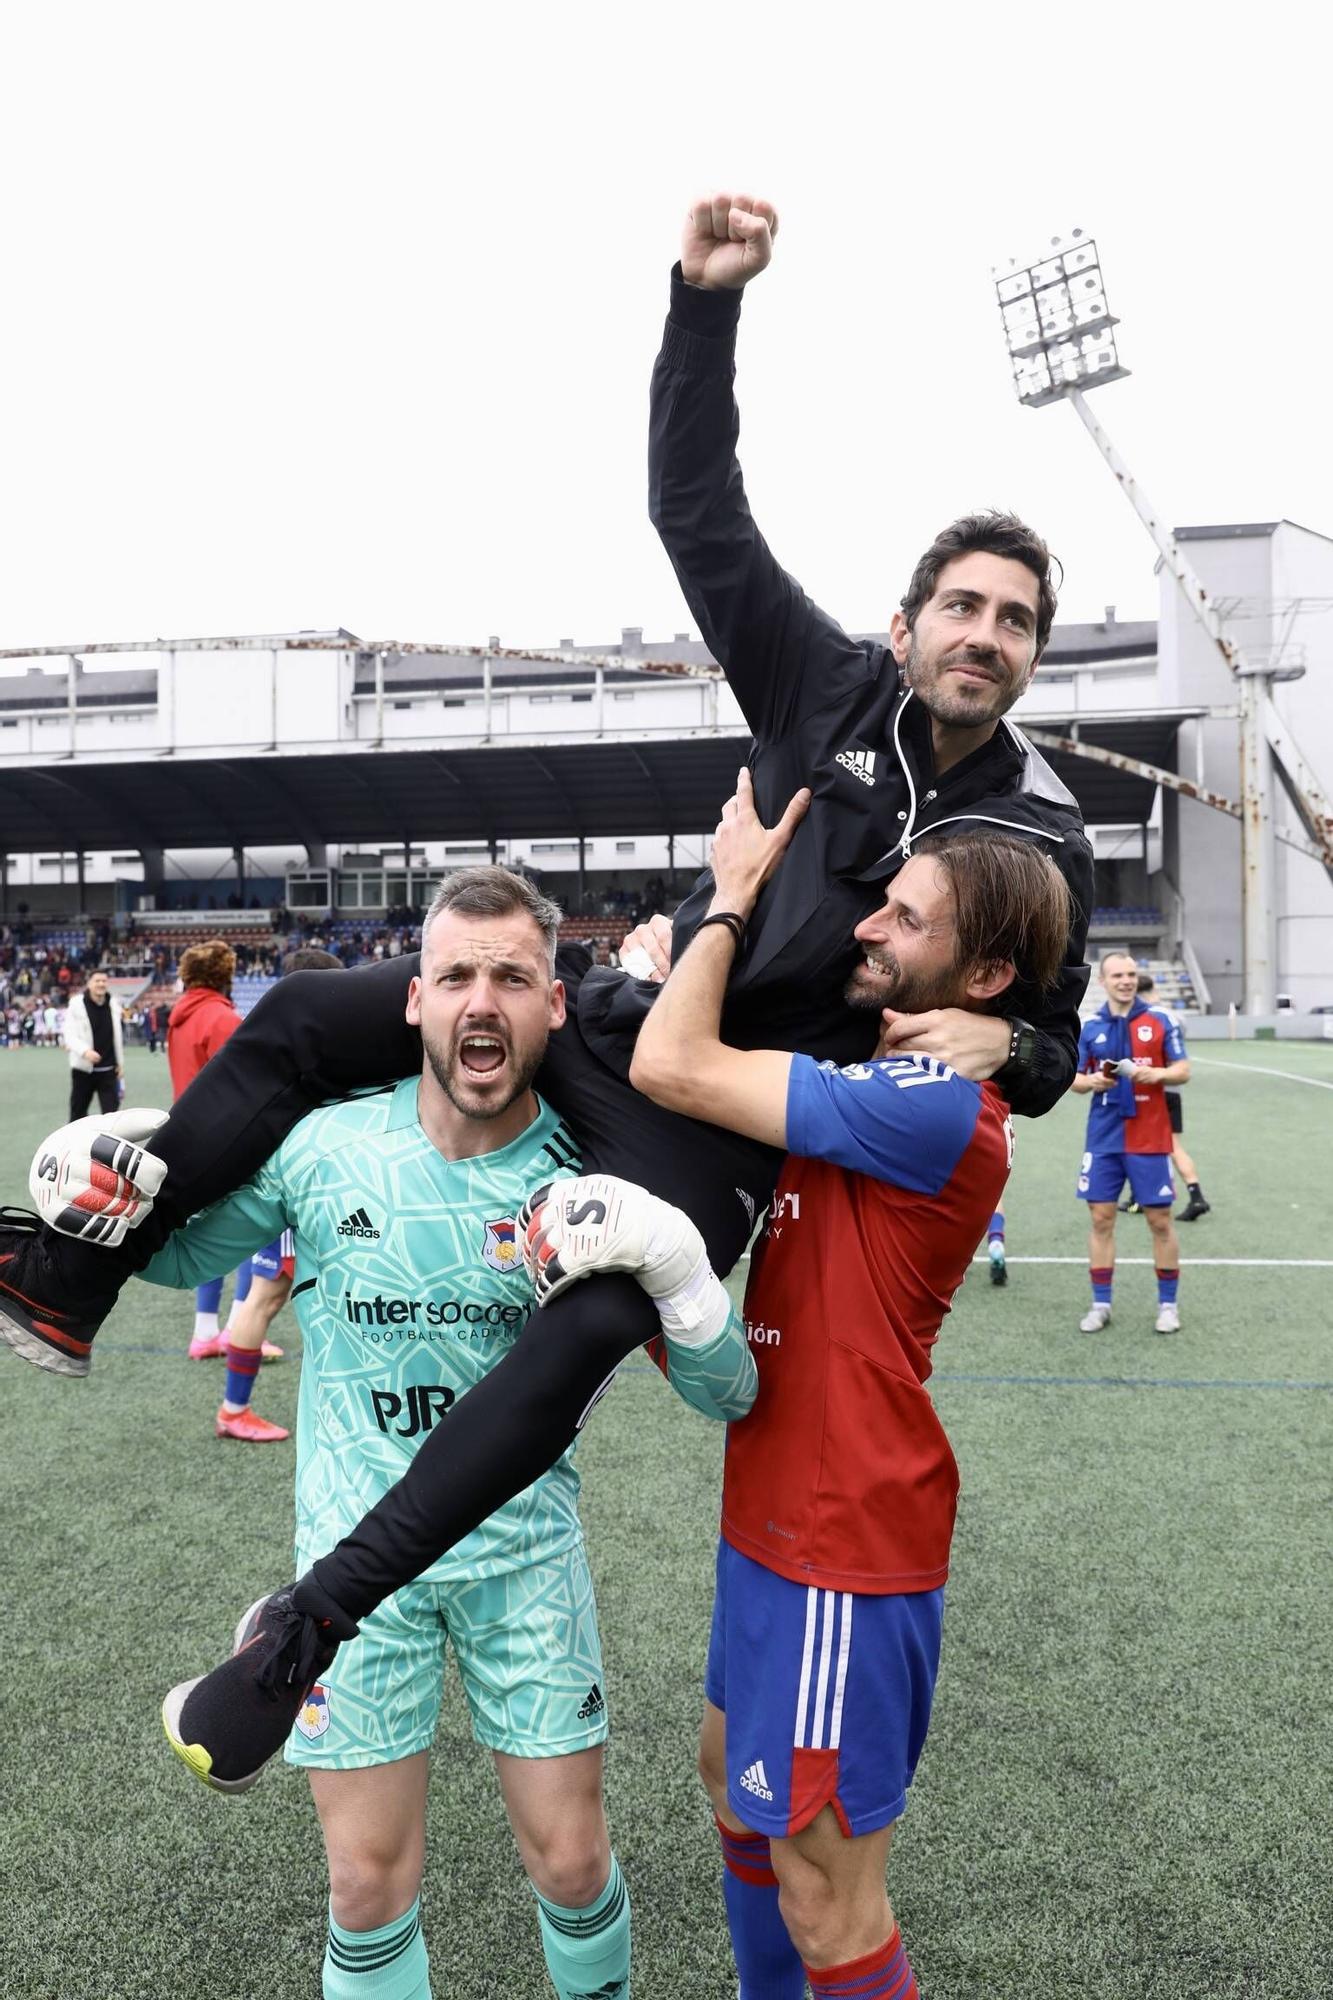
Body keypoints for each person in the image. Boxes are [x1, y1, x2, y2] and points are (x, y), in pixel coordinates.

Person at [1, 190, 1091, 1389]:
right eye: (964, 606)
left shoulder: (1037, 830)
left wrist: (1013, 1044)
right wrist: (703, 306)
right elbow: (696, 512)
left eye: (1016, 621)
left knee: (596, 1320)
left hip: (713, 1116)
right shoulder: (823, 682)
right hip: (608, 1014)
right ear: (908, 622)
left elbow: (1049, 1035)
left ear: (1036, 651)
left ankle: (355, 1564)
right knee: (307, 1024)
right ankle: (73, 1284)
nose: (985, 635)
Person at [154, 867, 754, 2000]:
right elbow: (183, 1250)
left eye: (514, 976)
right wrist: (115, 1177)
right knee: (366, 1885)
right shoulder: (325, 1144)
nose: (484, 999)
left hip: (521, 1563)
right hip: (351, 1571)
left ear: (556, 1006)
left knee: (572, 1863)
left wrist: (679, 1268)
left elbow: (727, 1391)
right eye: (457, 974)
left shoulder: (597, 1177)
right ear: (415, 1000)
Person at [615, 777, 1072, 2000]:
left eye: (905, 919)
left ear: (979, 981)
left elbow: (671, 1058)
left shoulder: (934, 1107)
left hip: (841, 1544)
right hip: (771, 1512)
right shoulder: (878, 1072)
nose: (868, 924)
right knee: (732, 1780)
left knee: (826, 1889)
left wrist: (728, 900)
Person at [1071, 951, 1191, 1336]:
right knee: (1101, 1218)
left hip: (1150, 1135)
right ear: (1103, 981)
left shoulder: (1161, 1020)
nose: (1125, 980)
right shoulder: (1088, 1027)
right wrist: (1093, 1082)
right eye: (1117, 975)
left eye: (1131, 974)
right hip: (1103, 1137)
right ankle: (1100, 1304)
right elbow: (1074, 1079)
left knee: (1159, 1220)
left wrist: (1153, 1074)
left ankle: (1168, 1305)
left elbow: (1183, 1071)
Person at [167, 942, 254, 1363]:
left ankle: (205, 1331)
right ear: (224, 974)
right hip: (226, 1139)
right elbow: (243, 1087)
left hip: (188, 1135)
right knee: (251, 1235)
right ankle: (240, 1329)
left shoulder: (179, 1016)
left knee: (211, 1237)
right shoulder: (222, 1018)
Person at [1120, 972, 1210, 1222]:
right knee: (1159, 1145)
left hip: (1153, 1090)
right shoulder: (1174, 1016)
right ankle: (1140, 1196)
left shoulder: (1145, 1017)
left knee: (1159, 1145)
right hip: (1172, 1089)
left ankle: (1195, 1196)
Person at [62, 969, 123, 1119]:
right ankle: (75, 1143)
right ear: (89, 983)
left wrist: (120, 1063)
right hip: (84, 1070)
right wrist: (85, 1051)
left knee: (112, 1118)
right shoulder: (77, 1004)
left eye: (104, 981)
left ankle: (109, 1143)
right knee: (77, 1115)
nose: (101, 984)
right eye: (97, 981)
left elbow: (117, 1037)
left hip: (109, 1071)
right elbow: (69, 1035)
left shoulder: (113, 1004)